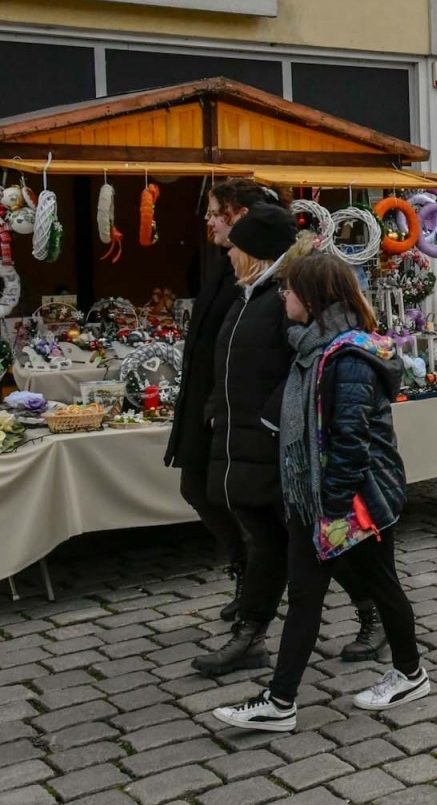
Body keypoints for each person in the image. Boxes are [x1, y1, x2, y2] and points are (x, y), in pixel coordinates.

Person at [213, 252, 428, 731]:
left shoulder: (347, 357)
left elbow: (351, 441)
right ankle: (280, 701)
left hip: (353, 501)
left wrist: (331, 509)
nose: (283, 296)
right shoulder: (312, 350)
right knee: (307, 595)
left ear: (311, 297)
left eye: (289, 289)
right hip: (316, 498)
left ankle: (410, 673)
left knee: (381, 586)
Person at [165, 180, 272, 623]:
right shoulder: (222, 264)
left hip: (231, 404)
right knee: (197, 487)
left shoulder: (260, 271)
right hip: (206, 399)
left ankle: (257, 587)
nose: (207, 220)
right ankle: (246, 571)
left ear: (240, 216)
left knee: (249, 507)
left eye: (215, 212)